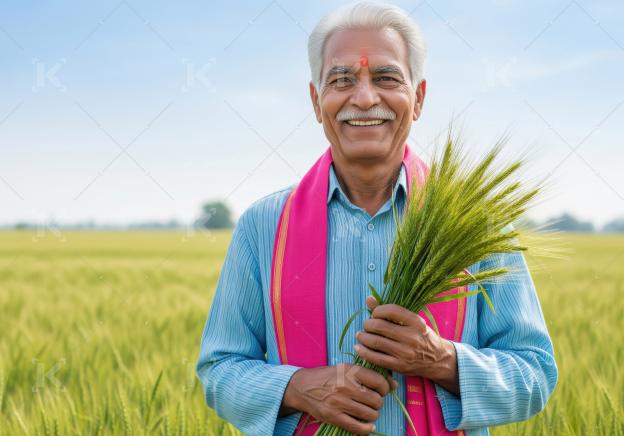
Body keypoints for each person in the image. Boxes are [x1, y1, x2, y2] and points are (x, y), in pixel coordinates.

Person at [196, 2, 557, 435]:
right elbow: (219, 371)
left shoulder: (476, 226)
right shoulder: (263, 226)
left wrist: (441, 360)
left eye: (385, 78)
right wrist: (297, 387)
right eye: (341, 79)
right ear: (316, 101)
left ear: (418, 97)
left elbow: (535, 375)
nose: (364, 97)